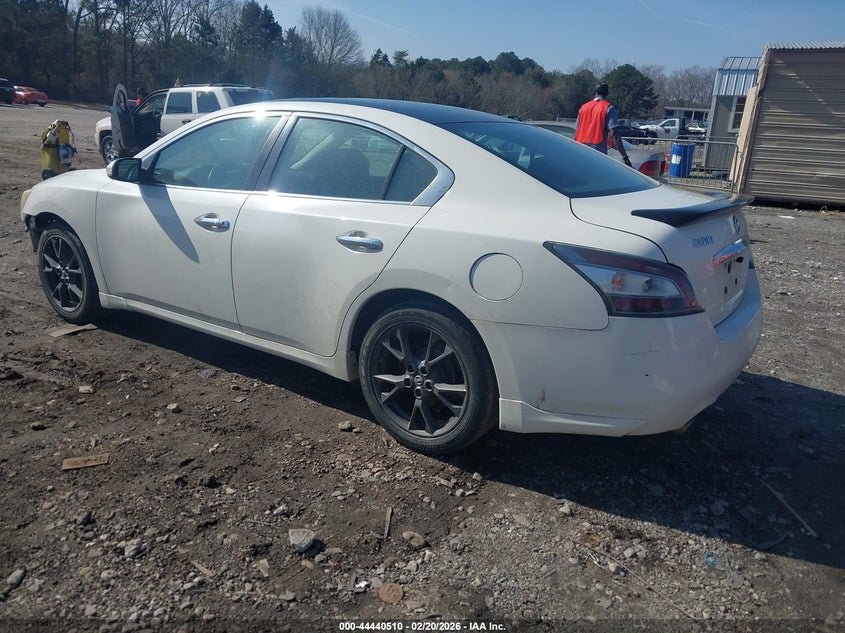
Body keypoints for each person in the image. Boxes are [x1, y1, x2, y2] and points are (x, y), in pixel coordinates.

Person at [575, 83, 632, 167]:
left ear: (595, 92)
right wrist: (625, 157)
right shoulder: (608, 108)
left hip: (580, 152)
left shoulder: (583, 108)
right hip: (597, 153)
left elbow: (577, 131)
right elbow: (614, 135)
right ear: (607, 94)